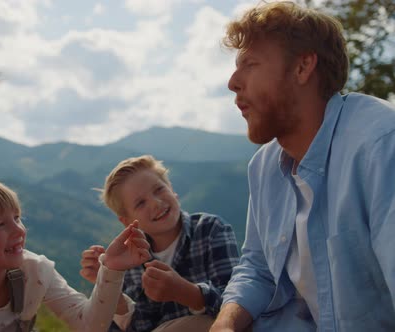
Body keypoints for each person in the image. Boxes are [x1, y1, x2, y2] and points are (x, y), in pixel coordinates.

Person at [210, 2, 395, 331]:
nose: (233, 82)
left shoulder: (380, 144)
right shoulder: (264, 166)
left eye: (250, 64)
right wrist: (224, 324)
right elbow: (258, 268)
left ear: (303, 67)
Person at [0, 176, 151, 332]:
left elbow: (90, 325)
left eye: (17, 218)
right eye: (0, 225)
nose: (18, 230)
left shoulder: (35, 271)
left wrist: (111, 269)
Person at [80, 155, 240, 331]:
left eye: (159, 190)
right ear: (126, 221)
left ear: (172, 189)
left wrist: (187, 293)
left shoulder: (210, 230)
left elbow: (238, 303)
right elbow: (139, 327)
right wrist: (110, 290)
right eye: (140, 203)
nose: (156, 203)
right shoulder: (128, 260)